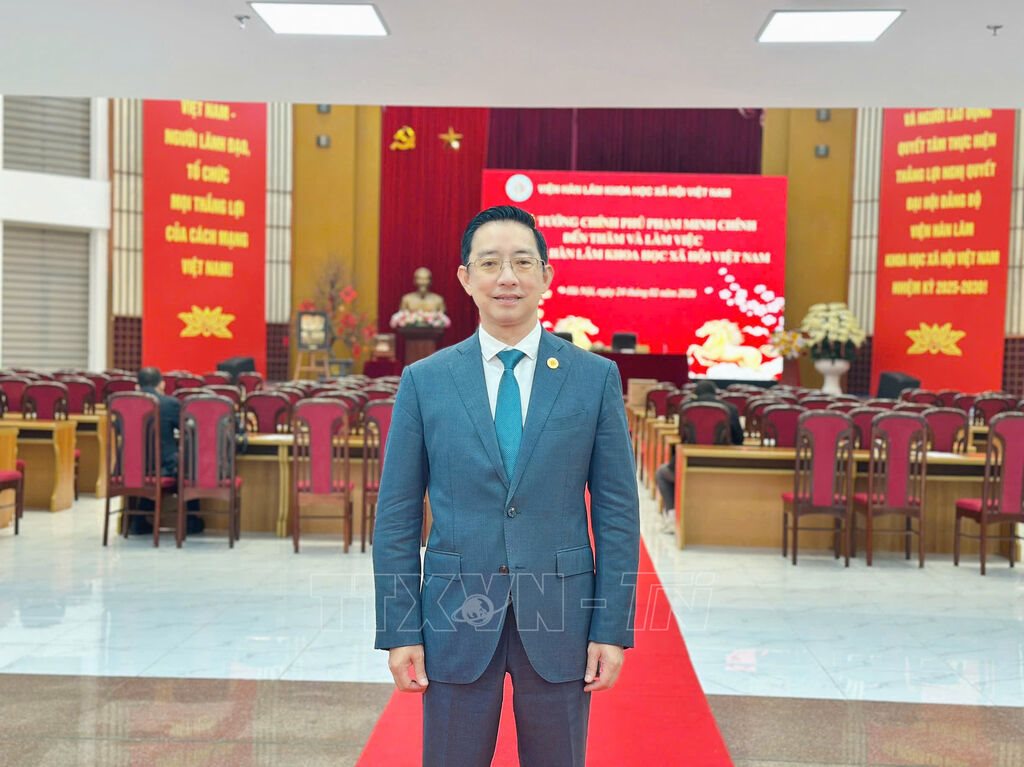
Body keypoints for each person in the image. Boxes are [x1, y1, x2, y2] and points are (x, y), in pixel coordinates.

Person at [373, 205, 640, 766]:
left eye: (522, 262)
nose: (507, 277)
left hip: (562, 615)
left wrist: (611, 628)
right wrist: (400, 629)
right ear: (465, 278)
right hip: (454, 615)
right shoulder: (426, 381)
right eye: (490, 263)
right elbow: (397, 515)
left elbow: (617, 515)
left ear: (546, 275)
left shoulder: (593, 378)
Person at [655, 380, 743, 532]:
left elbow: (682, 437)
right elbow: (739, 439)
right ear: (716, 393)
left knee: (662, 473)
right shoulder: (731, 409)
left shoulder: (686, 407)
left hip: (692, 463)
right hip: (724, 464)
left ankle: (672, 516)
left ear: (696, 394)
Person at [130, 367, 203, 536]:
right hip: (162, 466)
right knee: (186, 466)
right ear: (162, 384)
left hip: (130, 467)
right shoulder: (169, 404)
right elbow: (189, 430)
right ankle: (191, 520)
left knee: (154, 468)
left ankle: (139, 519)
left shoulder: (123, 403)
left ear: (137, 386)